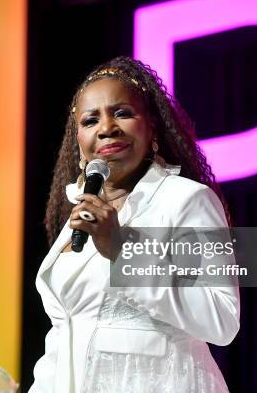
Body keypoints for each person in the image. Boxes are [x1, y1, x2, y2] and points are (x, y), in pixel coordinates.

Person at [29, 56, 240, 393]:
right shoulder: (82, 212)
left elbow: (222, 318)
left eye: (123, 113)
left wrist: (122, 252)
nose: (106, 127)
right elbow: (64, 338)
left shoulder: (185, 200)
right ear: (79, 141)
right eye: (90, 120)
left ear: (152, 126)